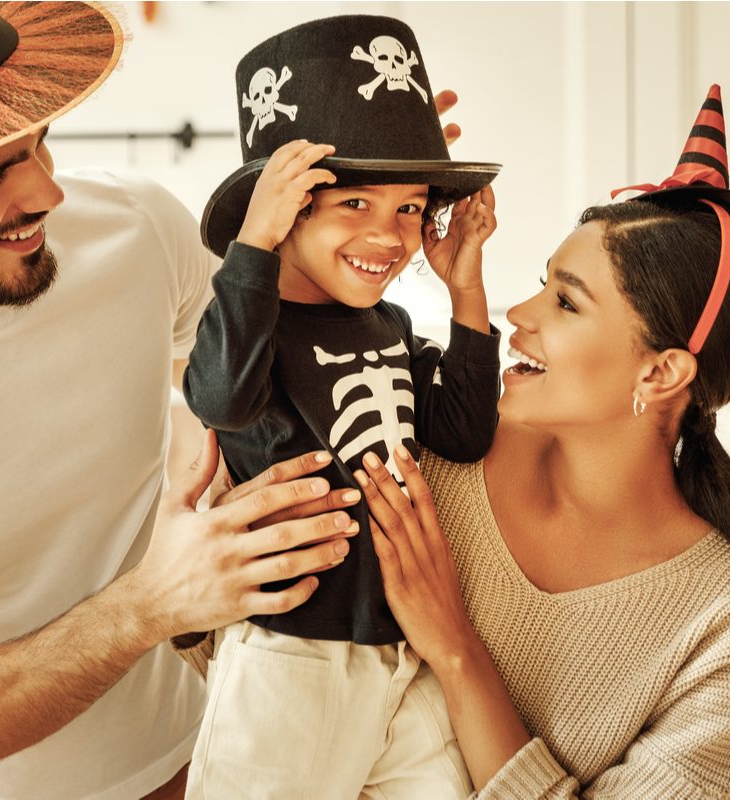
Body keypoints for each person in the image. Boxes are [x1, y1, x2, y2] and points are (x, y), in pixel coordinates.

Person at [0, 4, 364, 798]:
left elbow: (274, 370)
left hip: (203, 762)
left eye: (39, 146)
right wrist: (150, 604)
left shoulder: (137, 226)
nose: (47, 193)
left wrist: (367, 198)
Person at [357, 85, 730, 798]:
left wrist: (455, 647)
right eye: (544, 283)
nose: (520, 312)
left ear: (662, 371)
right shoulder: (439, 443)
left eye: (566, 301)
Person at [180, 15, 501, 798]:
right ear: (285, 211)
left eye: (409, 209)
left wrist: (464, 288)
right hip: (290, 654)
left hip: (404, 649)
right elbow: (218, 396)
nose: (389, 236)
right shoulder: (254, 333)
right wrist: (252, 243)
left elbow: (462, 432)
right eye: (354, 204)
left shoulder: (390, 325)